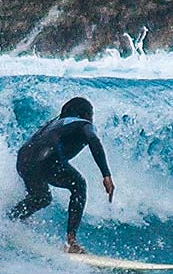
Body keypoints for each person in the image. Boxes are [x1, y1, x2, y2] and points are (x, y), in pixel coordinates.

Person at [8, 97, 115, 254]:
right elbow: (93, 139)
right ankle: (71, 242)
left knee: (41, 198)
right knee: (79, 185)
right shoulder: (83, 124)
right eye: (91, 114)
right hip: (47, 159)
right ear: (85, 114)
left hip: (23, 160)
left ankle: (8, 220)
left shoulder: (51, 124)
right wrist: (106, 174)